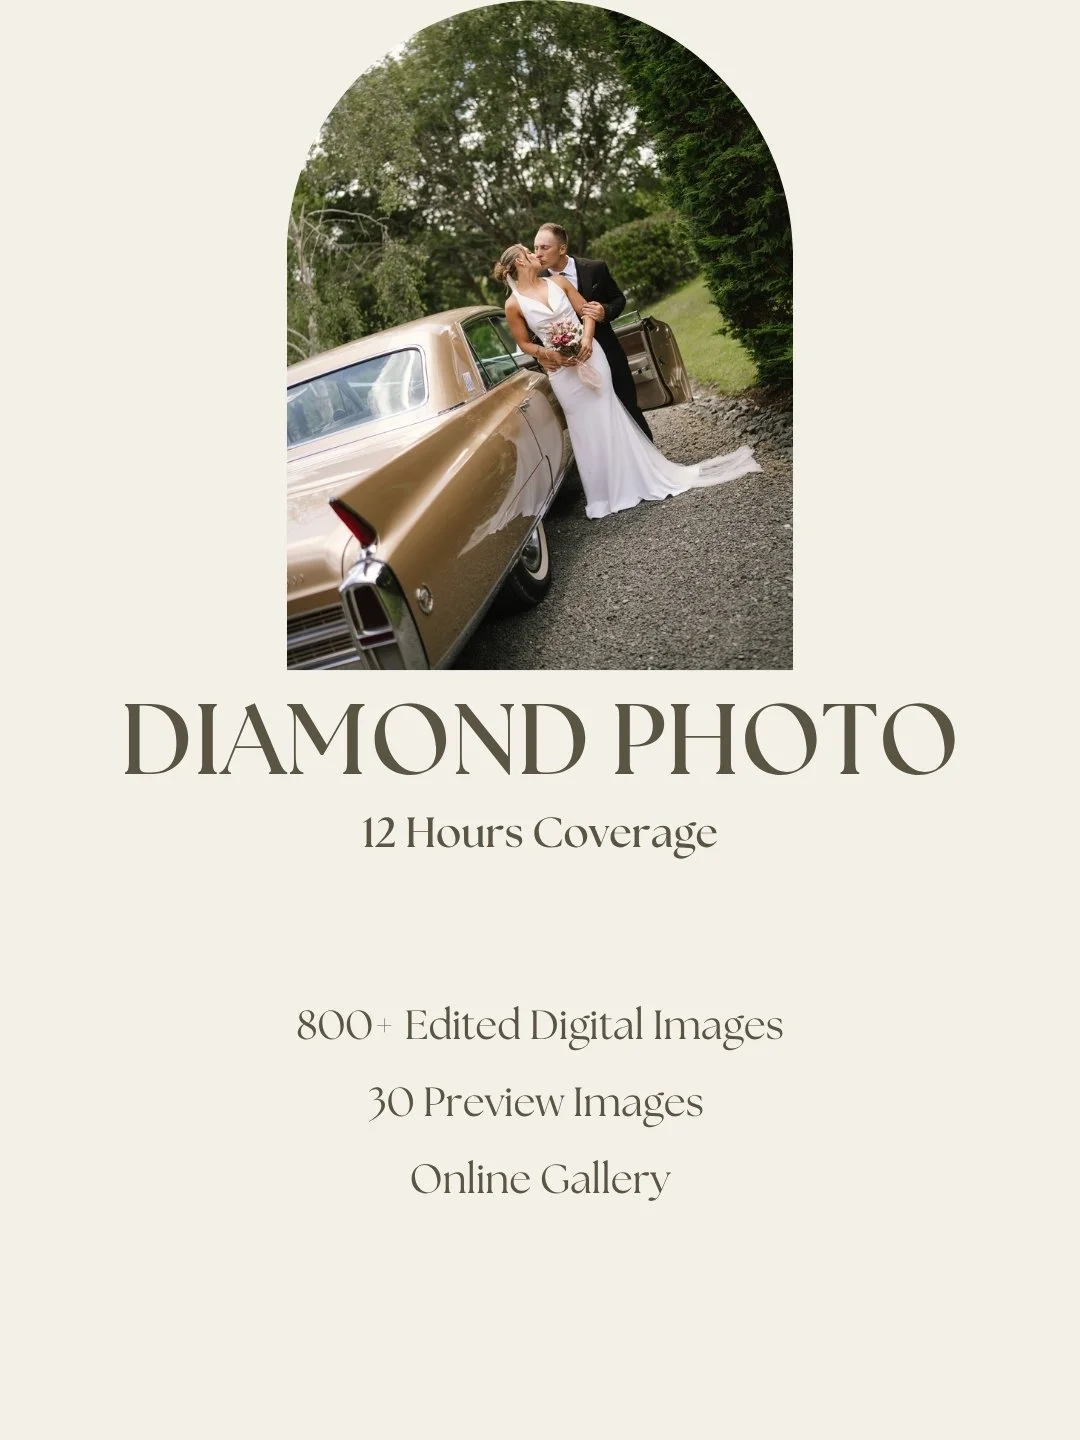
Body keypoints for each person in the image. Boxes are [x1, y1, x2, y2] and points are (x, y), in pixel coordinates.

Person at [497, 243, 761, 521]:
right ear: (520, 264)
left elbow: (586, 311)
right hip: (562, 373)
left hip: (591, 356)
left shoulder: (558, 282)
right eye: (529, 253)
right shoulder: (514, 304)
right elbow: (525, 344)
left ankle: (633, 478)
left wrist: (586, 339)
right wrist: (548, 353)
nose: (535, 255)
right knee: (583, 426)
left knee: (609, 414)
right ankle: (603, 494)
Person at [533, 222, 651, 438]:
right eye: (535, 248)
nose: (538, 254)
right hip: (569, 366)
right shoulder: (535, 282)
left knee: (628, 405)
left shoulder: (595, 268)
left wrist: (605, 311)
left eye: (544, 248)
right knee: (594, 420)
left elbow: (618, 299)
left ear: (562, 248)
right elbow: (533, 327)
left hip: (607, 350)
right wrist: (542, 355)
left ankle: (648, 459)